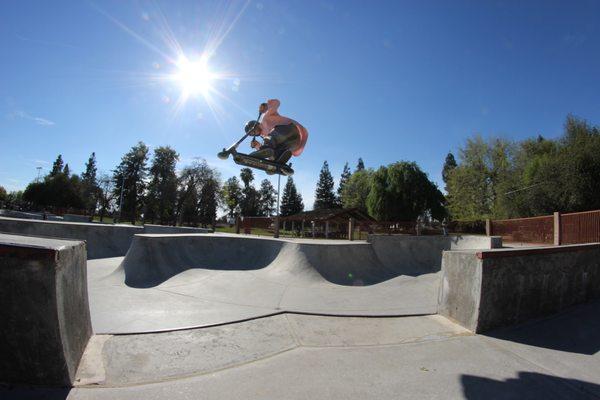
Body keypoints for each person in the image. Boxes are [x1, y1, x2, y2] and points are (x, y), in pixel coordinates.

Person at [247, 99, 308, 164]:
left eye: (253, 130)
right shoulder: (265, 136)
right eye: (252, 134)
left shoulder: (265, 118)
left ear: (256, 124)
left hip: (289, 129)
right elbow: (267, 152)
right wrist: (257, 145)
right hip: (294, 143)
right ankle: (277, 162)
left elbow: (276, 103)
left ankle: (275, 157)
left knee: (268, 140)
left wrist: (266, 106)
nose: (254, 133)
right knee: (274, 151)